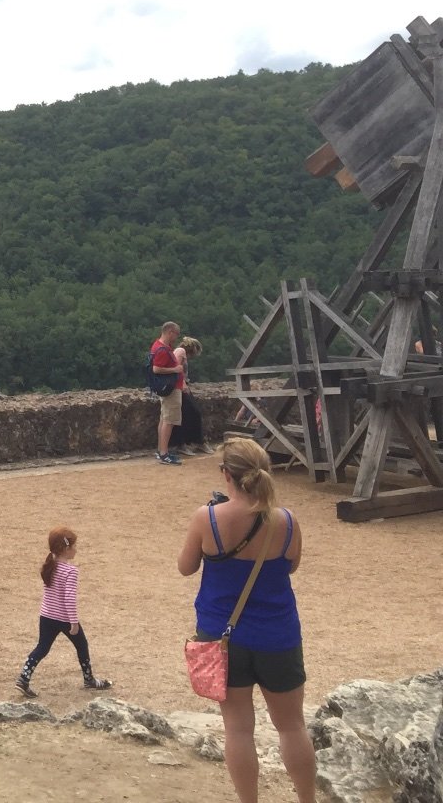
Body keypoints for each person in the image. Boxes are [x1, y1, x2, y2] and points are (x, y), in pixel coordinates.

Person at [177, 439, 314, 803]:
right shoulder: (286, 520)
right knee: (292, 726)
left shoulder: (207, 518)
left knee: (238, 730)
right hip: (278, 634)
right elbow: (292, 564)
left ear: (226, 474)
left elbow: (185, 567)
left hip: (223, 636)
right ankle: (306, 799)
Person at [14, 527, 112, 698]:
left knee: (42, 647)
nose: (76, 549)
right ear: (66, 549)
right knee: (82, 645)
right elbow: (69, 599)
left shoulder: (49, 566)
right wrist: (73, 622)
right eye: (75, 546)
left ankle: (24, 677)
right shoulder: (71, 571)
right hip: (64, 618)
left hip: (46, 615)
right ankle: (89, 679)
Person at [150, 320, 185, 465]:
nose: (176, 337)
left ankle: (161, 450)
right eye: (176, 334)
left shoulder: (158, 346)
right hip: (170, 389)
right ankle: (164, 454)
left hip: (167, 388)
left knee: (164, 419)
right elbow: (156, 368)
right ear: (170, 332)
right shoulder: (162, 349)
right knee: (169, 420)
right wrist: (175, 370)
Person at [170, 337, 206, 455]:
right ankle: (193, 442)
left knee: (185, 414)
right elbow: (177, 369)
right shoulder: (181, 352)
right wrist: (184, 384)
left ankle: (186, 442)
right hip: (180, 387)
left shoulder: (178, 351)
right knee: (194, 412)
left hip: (179, 386)